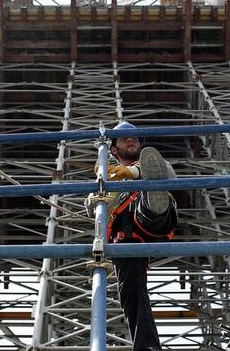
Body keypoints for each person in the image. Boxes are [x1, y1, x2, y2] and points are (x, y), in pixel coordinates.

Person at [90, 121, 178, 351]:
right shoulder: (107, 177)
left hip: (152, 220)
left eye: (135, 139)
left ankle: (153, 198)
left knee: (152, 197)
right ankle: (147, 347)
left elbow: (170, 173)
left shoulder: (154, 163)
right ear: (113, 150)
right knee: (131, 290)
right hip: (126, 236)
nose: (131, 141)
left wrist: (133, 172)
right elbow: (92, 209)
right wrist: (97, 196)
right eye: (124, 139)